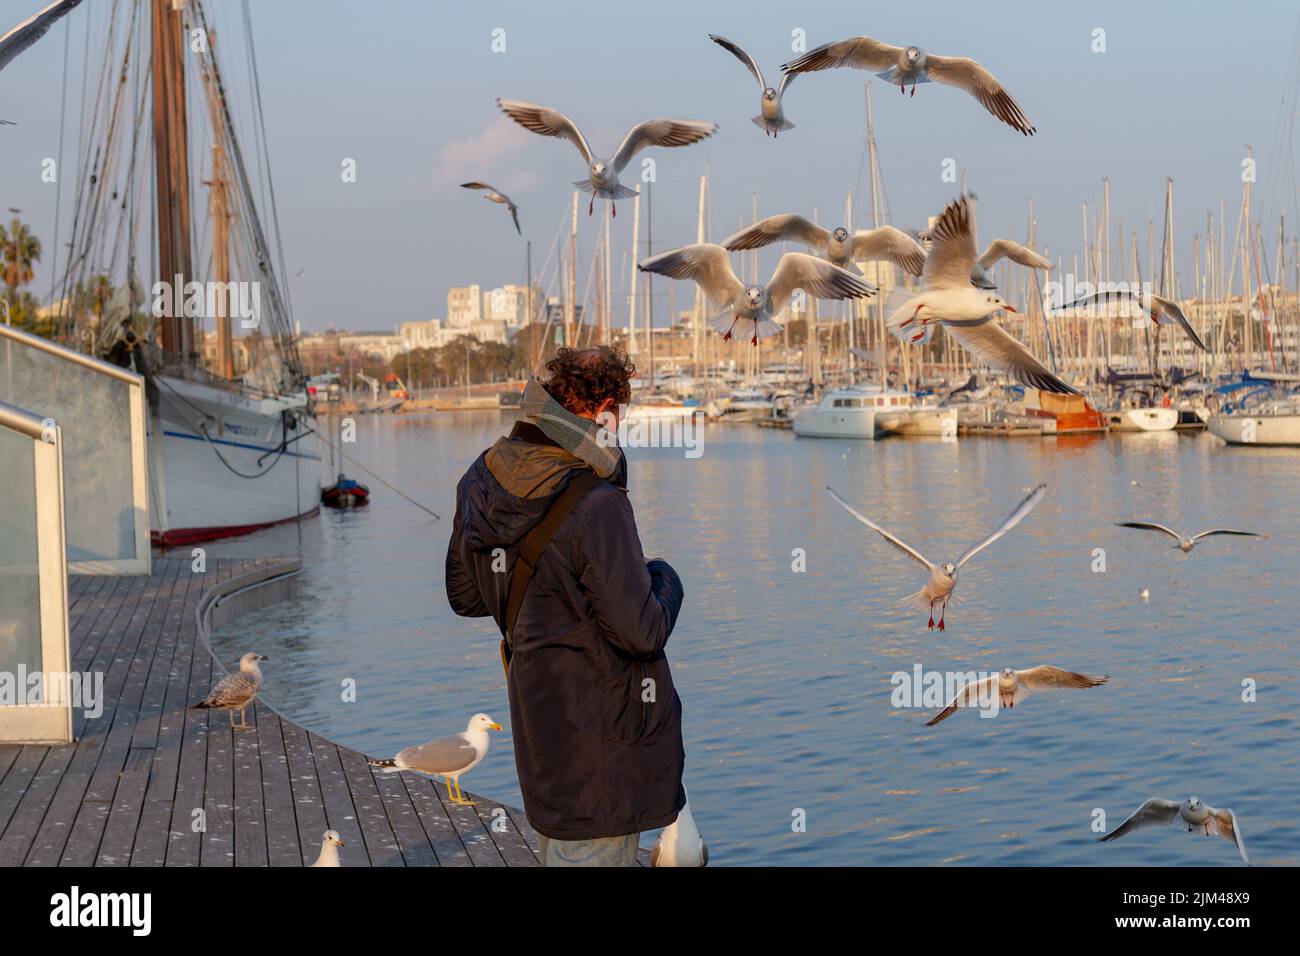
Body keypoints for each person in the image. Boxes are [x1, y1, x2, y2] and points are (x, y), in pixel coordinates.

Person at [445, 346, 686, 866]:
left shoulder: (480, 478)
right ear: (603, 410)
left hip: (542, 734)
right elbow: (641, 631)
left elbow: (466, 597)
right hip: (605, 747)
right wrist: (666, 580)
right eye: (621, 412)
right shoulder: (598, 502)